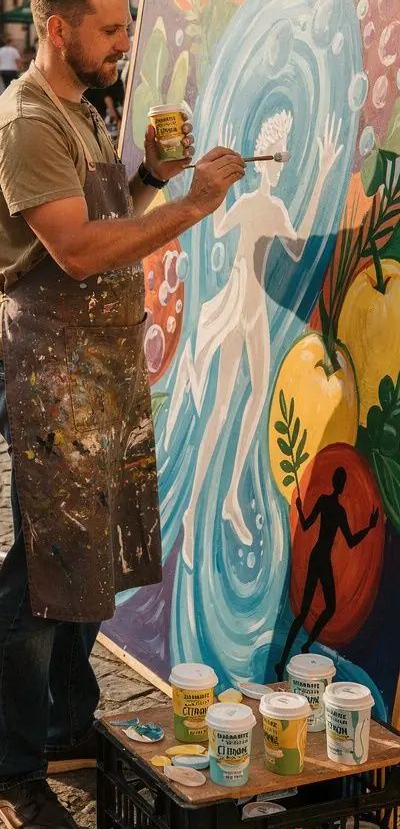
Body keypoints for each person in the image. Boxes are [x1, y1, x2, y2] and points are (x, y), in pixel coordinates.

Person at [0, 0, 245, 829]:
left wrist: (154, 180)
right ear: (59, 29)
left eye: (126, 26)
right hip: (49, 370)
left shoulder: (84, 109)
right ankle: (16, 772)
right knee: (40, 576)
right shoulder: (26, 123)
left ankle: (65, 730)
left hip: (99, 366)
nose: (126, 42)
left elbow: (108, 217)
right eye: (112, 28)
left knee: (88, 565)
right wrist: (196, 204)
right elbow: (81, 252)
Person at [164, 110, 342, 563]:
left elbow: (297, 246)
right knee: (223, 407)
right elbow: (218, 227)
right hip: (238, 300)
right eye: (277, 159)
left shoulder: (276, 208)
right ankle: (193, 510)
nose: (280, 167)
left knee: (257, 397)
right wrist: (220, 190)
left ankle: (228, 499)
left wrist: (323, 175)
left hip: (256, 308)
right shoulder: (249, 203)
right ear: (264, 161)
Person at [276, 468, 380, 677]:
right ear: (339, 483)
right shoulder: (336, 509)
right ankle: (293, 653)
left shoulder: (328, 503)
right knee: (313, 610)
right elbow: (349, 539)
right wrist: (369, 527)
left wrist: (300, 508)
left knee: (312, 610)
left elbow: (307, 524)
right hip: (320, 559)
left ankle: (297, 650)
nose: (341, 484)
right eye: (342, 481)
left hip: (318, 557)